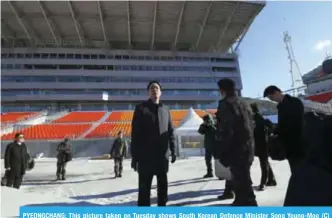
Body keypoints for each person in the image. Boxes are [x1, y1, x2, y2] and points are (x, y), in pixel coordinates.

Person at [131, 80, 176, 206]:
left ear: (160, 92)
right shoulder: (140, 108)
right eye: (151, 88)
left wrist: (173, 150)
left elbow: (170, 131)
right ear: (148, 92)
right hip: (145, 158)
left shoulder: (166, 109)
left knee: (163, 190)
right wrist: (135, 157)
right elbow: (135, 135)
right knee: (144, 191)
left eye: (156, 88)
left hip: (162, 157)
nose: (154, 90)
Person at [215, 78, 257, 206]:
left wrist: (223, 150)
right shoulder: (245, 103)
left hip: (235, 148)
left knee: (242, 179)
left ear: (222, 89)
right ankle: (240, 200)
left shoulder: (225, 104)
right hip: (248, 146)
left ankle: (250, 204)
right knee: (242, 177)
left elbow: (226, 129)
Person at [263, 85, 305, 174]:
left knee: (300, 172)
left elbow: (294, 123)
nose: (271, 100)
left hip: (298, 144)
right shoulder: (281, 106)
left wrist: (276, 129)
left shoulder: (294, 102)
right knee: (295, 171)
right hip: (289, 146)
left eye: (271, 97)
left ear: (277, 92)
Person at [250, 103, 277, 191]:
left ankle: (263, 183)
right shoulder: (252, 119)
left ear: (253, 111)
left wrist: (267, 134)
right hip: (257, 144)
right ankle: (271, 180)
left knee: (263, 163)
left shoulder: (260, 118)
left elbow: (272, 127)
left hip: (262, 144)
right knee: (265, 162)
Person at [198, 114, 217, 178]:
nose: (207, 121)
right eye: (205, 120)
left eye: (208, 120)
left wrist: (211, 126)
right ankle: (209, 173)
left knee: (217, 160)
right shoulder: (204, 126)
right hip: (208, 146)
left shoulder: (215, 124)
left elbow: (216, 132)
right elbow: (200, 132)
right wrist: (203, 125)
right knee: (207, 160)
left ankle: (220, 172)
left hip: (215, 146)